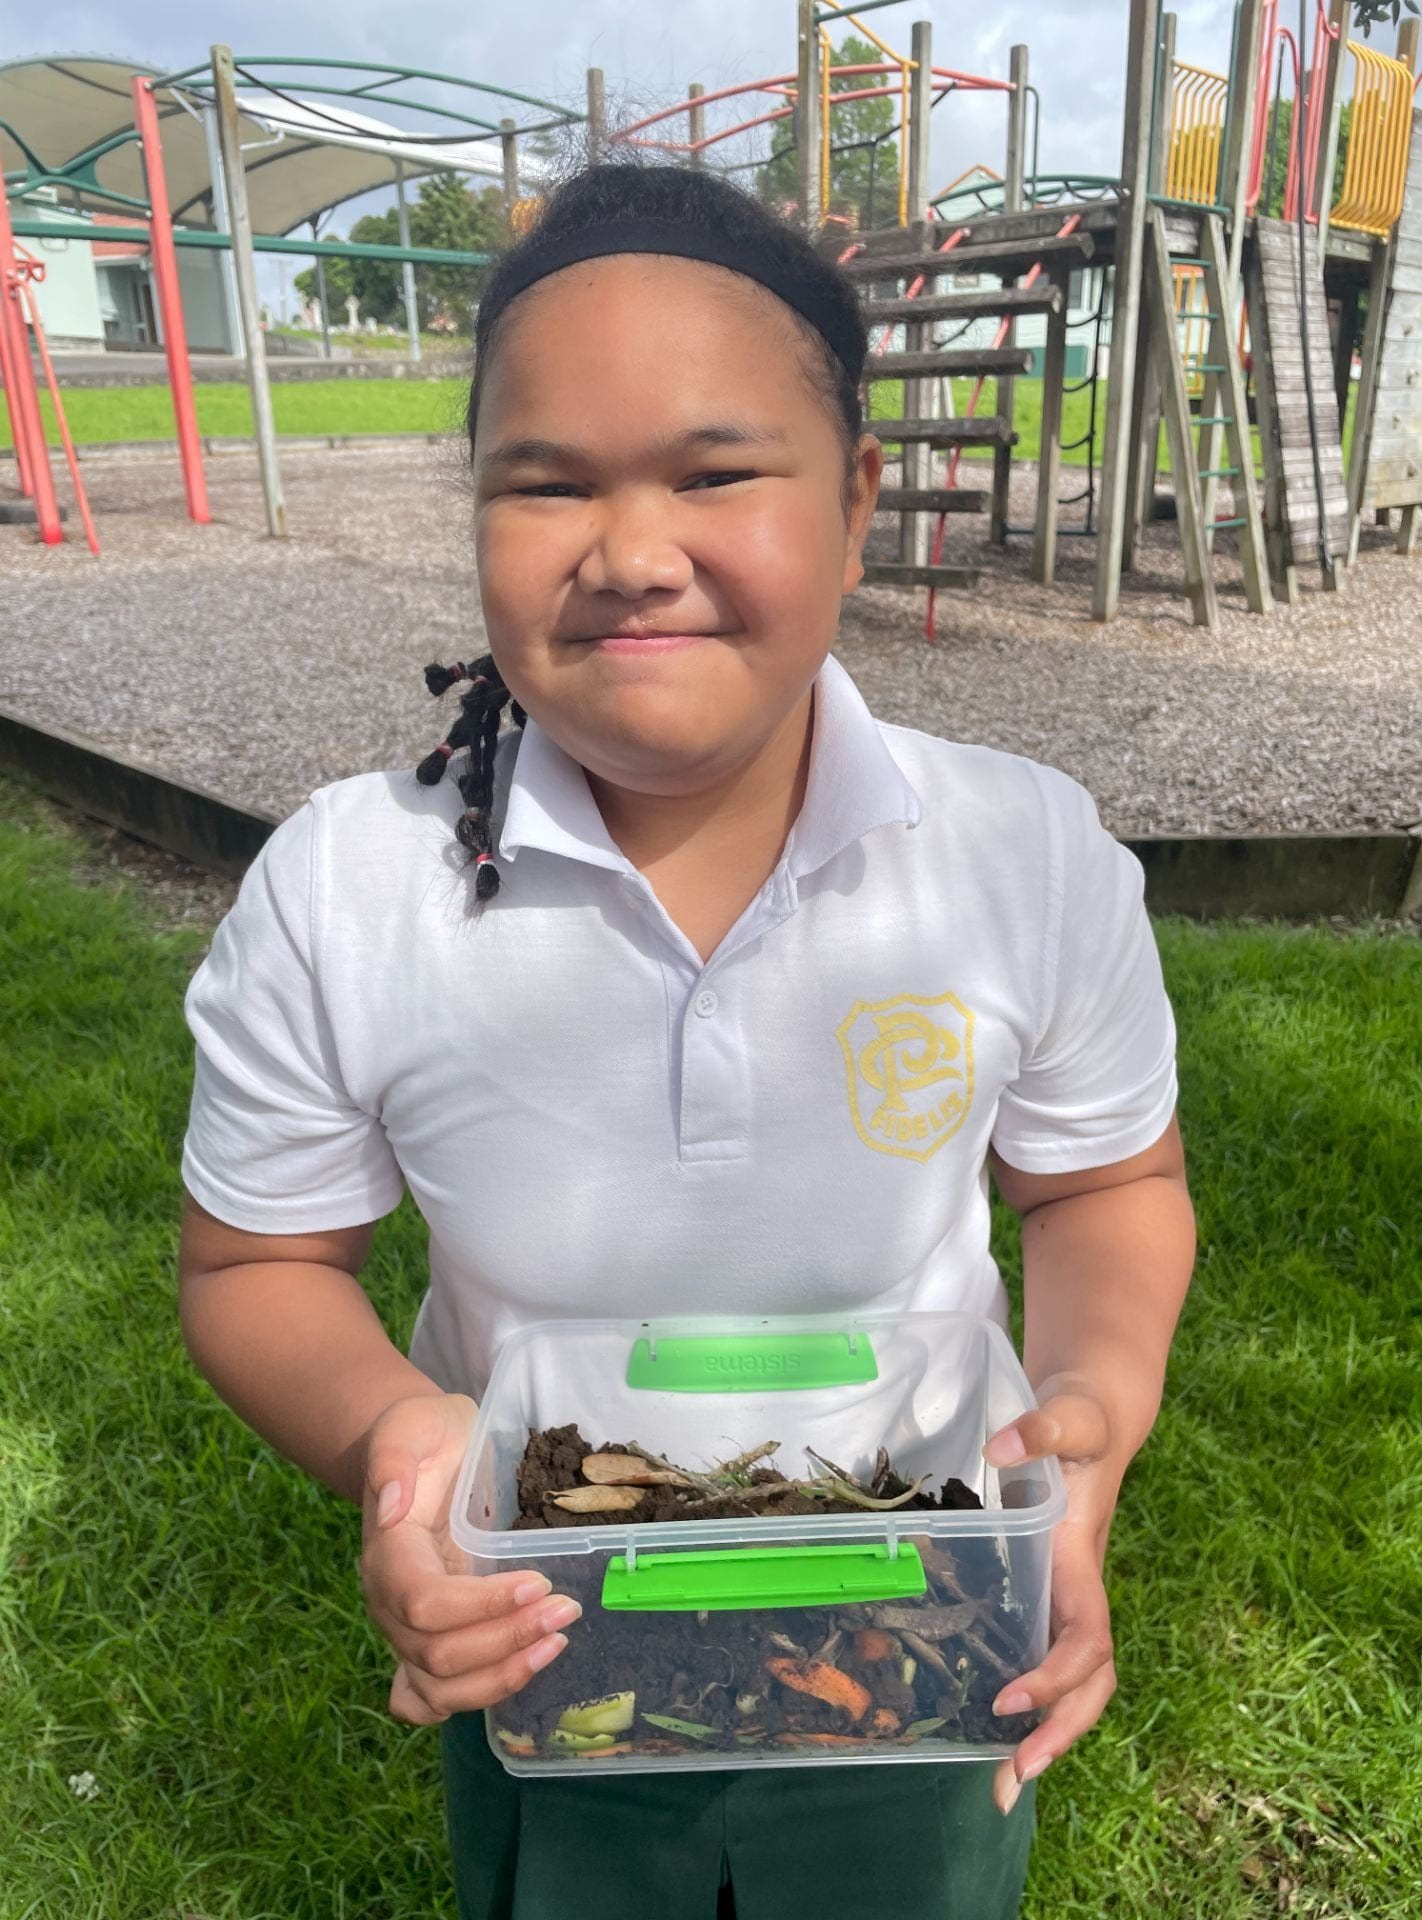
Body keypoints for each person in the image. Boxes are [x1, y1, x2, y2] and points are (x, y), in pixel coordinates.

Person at [177, 156, 1197, 1920]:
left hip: (923, 1602)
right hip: (548, 1619)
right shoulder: (349, 890)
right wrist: (396, 1442)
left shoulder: (1024, 859)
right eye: (546, 483)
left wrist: (1091, 1417)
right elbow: (257, 1262)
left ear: (858, 500)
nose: (633, 554)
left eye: (716, 474)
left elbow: (1105, 1183)